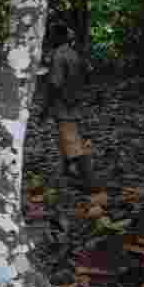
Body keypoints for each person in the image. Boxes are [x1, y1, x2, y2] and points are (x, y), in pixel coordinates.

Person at [41, 22, 94, 212]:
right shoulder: (73, 53)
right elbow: (87, 73)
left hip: (63, 104)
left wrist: (45, 108)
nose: (49, 38)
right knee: (67, 139)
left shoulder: (58, 55)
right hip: (74, 101)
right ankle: (67, 173)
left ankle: (89, 182)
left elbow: (55, 84)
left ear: (58, 37)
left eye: (52, 35)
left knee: (70, 141)